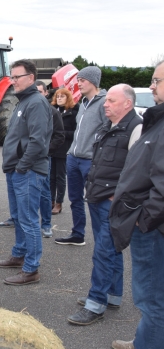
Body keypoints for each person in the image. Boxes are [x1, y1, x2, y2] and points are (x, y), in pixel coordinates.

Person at [103, 62, 164, 349]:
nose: (152, 86)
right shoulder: (158, 119)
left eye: (156, 81)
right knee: (152, 295)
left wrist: (143, 220)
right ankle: (146, 342)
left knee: (152, 297)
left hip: (153, 229)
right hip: (150, 224)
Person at [67, 84, 142, 325]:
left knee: (103, 252)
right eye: (106, 100)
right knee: (110, 249)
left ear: (127, 104)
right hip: (98, 196)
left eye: (111, 100)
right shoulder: (108, 126)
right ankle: (113, 295)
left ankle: (95, 304)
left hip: (114, 202)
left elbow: (138, 169)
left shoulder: (136, 128)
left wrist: (119, 195)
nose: (105, 104)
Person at [0, 59, 52, 285]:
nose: (13, 81)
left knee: (28, 220)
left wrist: (21, 166)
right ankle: (19, 255)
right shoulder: (22, 102)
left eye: (17, 77)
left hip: (27, 172)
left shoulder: (36, 103)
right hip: (17, 170)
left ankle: (31, 269)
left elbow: (38, 142)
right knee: (19, 217)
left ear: (31, 78)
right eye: (12, 76)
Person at [55, 66, 108, 246]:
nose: (79, 84)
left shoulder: (104, 102)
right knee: (75, 199)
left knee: (95, 201)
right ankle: (78, 234)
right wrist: (71, 152)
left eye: (82, 80)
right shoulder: (83, 103)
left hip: (90, 160)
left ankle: (102, 241)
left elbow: (107, 131)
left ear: (93, 81)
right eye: (78, 80)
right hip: (73, 158)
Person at [37, 81, 65, 238]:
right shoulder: (28, 109)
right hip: (27, 158)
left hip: (43, 158)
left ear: (46, 93)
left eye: (40, 92)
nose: (37, 95)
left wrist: (45, 151)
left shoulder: (52, 112)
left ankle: (46, 224)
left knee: (44, 191)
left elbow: (59, 136)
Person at [50, 88, 78, 215]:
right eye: (58, 96)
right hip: (52, 148)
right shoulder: (53, 111)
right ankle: (50, 200)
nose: (59, 98)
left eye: (62, 96)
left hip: (64, 149)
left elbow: (75, 133)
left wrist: (61, 133)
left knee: (60, 177)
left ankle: (59, 202)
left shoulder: (73, 113)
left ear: (68, 98)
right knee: (50, 177)